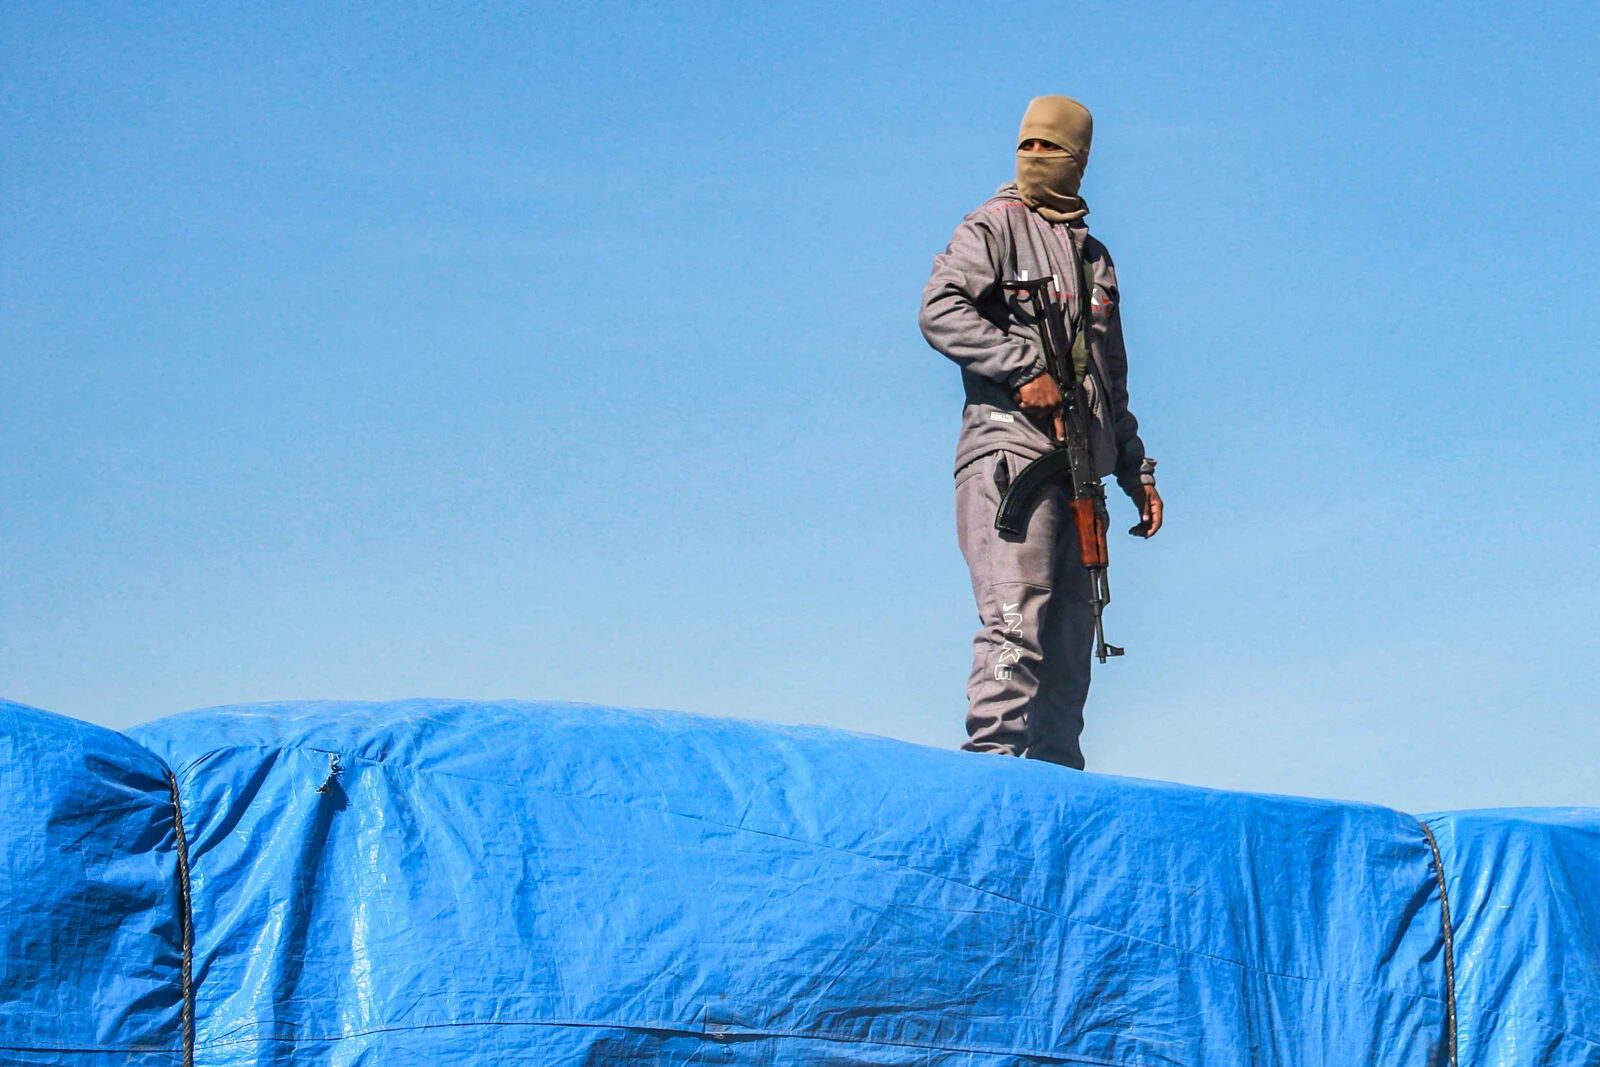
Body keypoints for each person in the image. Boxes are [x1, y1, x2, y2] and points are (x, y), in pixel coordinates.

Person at [919, 95, 1163, 769]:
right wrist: (1022, 366)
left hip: (1081, 473)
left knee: (1067, 652)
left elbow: (1110, 378)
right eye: (1025, 146)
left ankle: (1056, 798)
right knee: (1014, 625)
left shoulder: (1096, 260)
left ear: (1079, 162)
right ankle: (990, 776)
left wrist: (1135, 469)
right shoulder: (993, 227)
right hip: (1011, 460)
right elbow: (939, 309)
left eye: (1048, 149)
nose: (1033, 159)